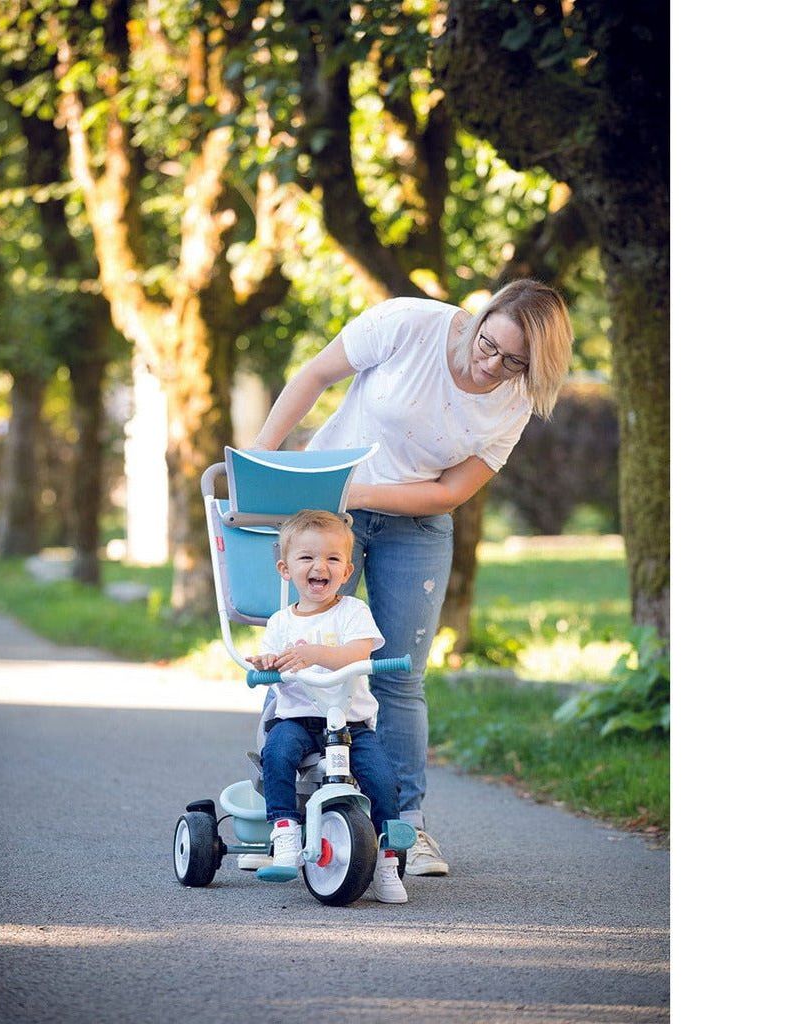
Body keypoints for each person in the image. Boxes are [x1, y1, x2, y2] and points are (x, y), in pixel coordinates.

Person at [250, 280, 574, 876]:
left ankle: (408, 829)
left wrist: (361, 491)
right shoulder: (408, 323)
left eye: (515, 363)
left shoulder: (515, 401)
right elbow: (316, 375)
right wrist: (263, 462)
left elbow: (451, 491)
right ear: (481, 315)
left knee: (398, 675)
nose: (491, 367)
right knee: (302, 652)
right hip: (328, 516)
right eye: (489, 344)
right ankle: (287, 812)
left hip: (416, 523)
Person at [246, 508, 408, 904]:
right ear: (286, 569)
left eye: (333, 558)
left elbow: (358, 652)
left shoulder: (353, 612)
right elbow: (270, 658)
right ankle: (284, 829)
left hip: (349, 723)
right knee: (277, 752)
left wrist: (316, 652)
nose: (321, 566)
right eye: (307, 558)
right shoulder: (281, 622)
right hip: (298, 719)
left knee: (383, 778)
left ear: (348, 569)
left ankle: (387, 859)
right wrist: (266, 663)